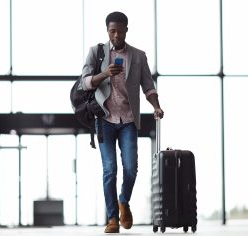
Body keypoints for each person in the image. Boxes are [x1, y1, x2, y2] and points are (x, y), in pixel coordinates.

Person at [81, 11, 164, 233]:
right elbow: (85, 82)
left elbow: (148, 86)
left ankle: (123, 201)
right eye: (112, 31)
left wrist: (156, 106)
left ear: (127, 29)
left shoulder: (138, 56)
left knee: (131, 168)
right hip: (105, 118)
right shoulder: (96, 53)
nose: (116, 35)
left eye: (120, 30)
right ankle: (112, 219)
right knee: (109, 169)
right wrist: (104, 74)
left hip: (128, 119)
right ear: (107, 31)